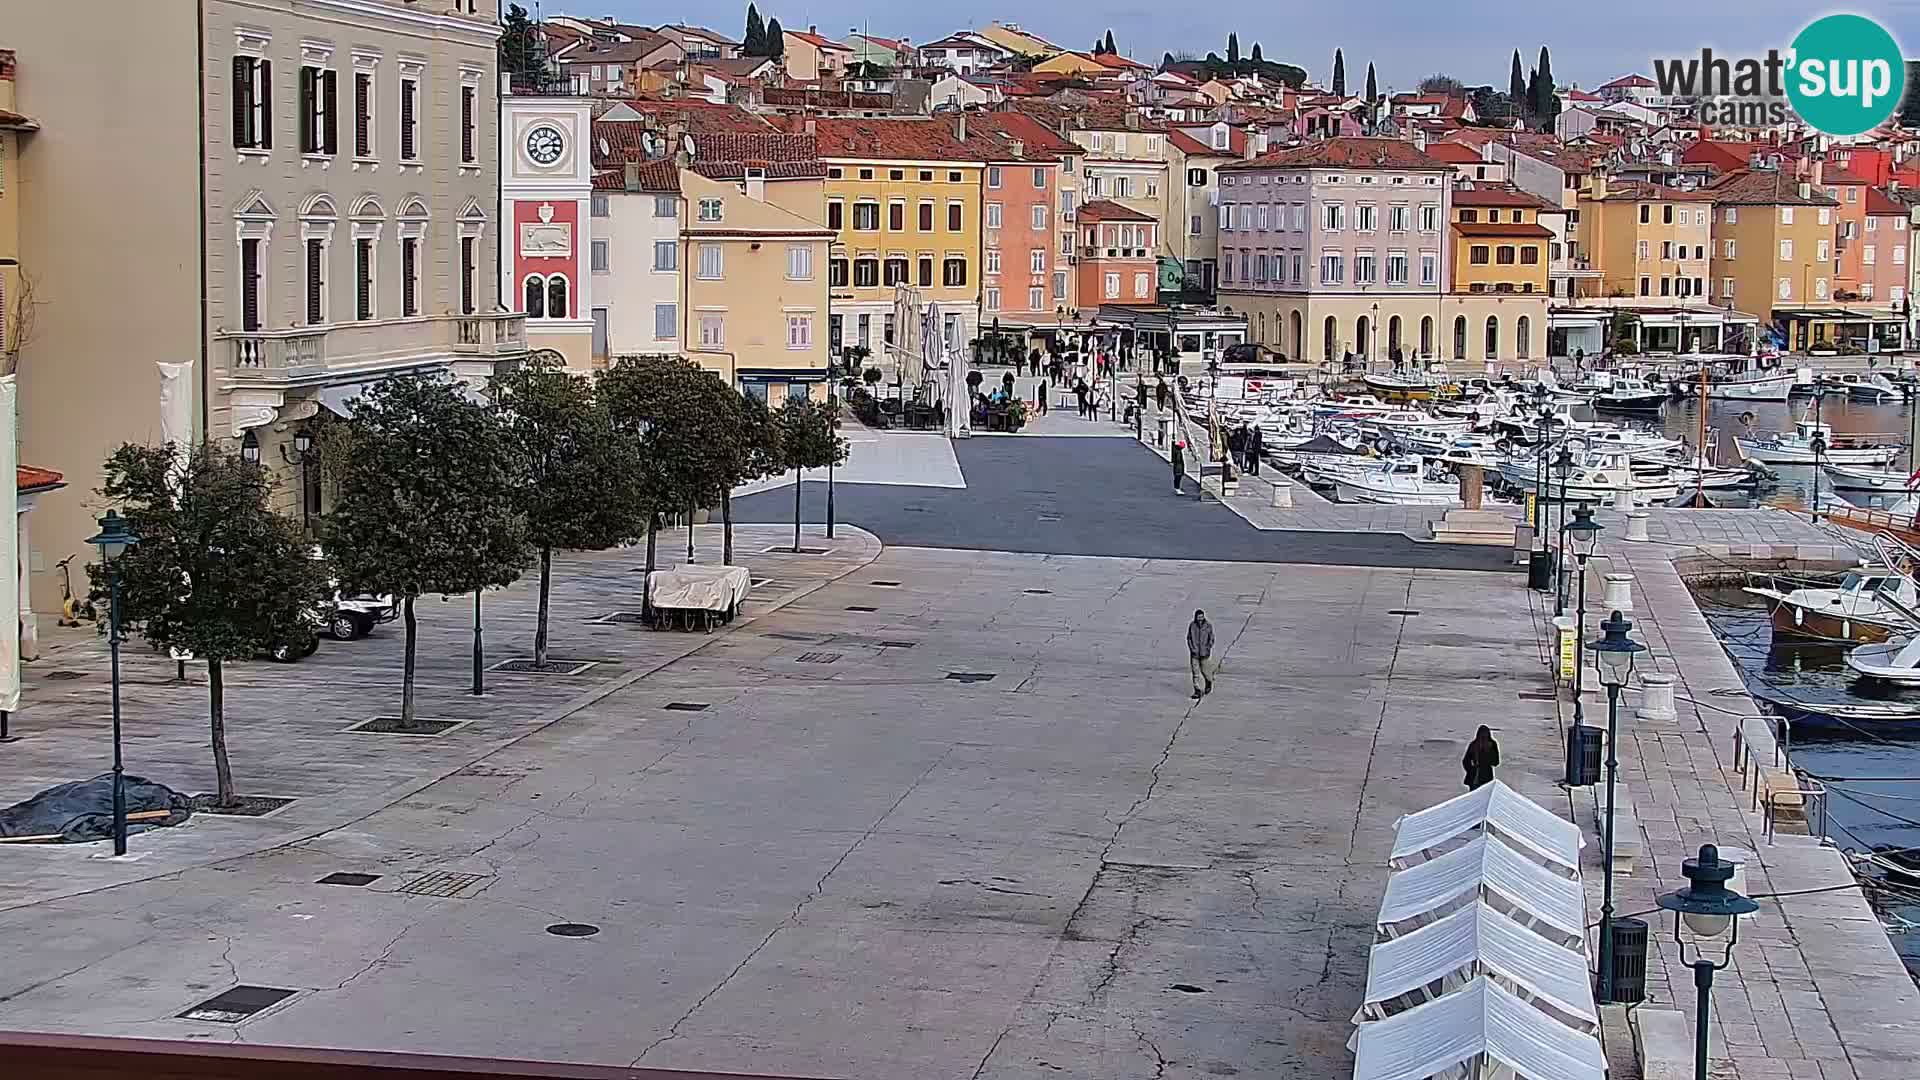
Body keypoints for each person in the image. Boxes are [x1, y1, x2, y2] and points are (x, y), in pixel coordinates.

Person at [1187, 609, 1215, 699]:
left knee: (1206, 672)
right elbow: (1189, 638)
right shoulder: (1192, 626)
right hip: (1194, 654)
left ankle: (1208, 682)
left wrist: (1208, 648)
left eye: (1202, 616)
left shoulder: (1208, 626)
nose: (1200, 618)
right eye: (1199, 617)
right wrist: (1192, 648)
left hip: (1204, 654)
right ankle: (1197, 690)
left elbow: (1211, 638)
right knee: (1195, 673)